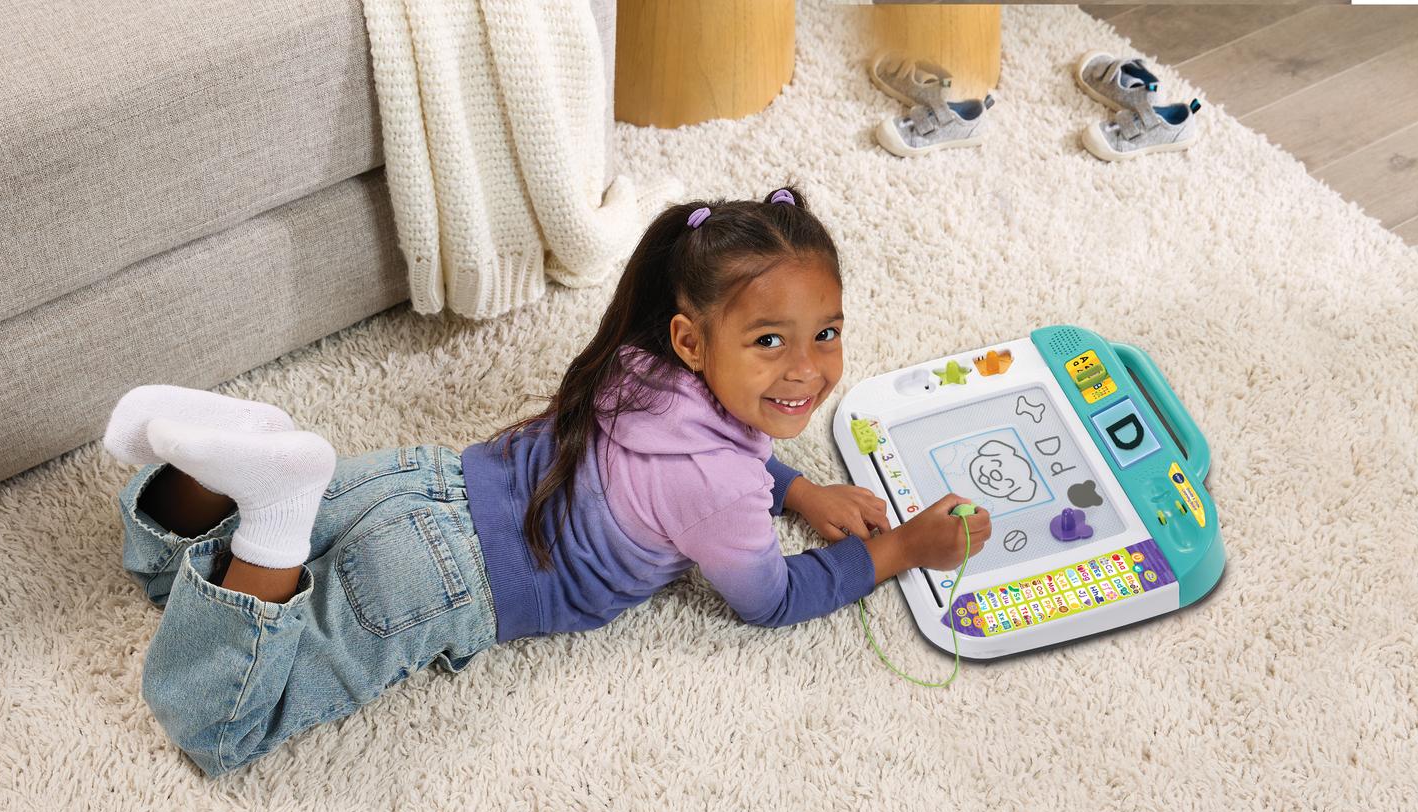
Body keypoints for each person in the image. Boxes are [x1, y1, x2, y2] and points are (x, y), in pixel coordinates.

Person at [106, 185, 991, 778]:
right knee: (217, 722)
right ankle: (273, 511)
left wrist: (796, 491)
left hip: (428, 481)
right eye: (770, 341)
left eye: (826, 333)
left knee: (170, 579)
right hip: (444, 582)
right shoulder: (722, 491)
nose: (806, 369)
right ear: (693, 341)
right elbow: (769, 598)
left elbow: (730, 452)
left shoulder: (641, 359)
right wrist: (904, 549)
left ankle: (228, 466)